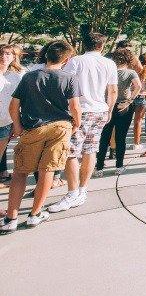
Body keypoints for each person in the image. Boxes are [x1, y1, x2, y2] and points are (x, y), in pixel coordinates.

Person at [1, 40, 81, 233]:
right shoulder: (69, 78)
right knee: (48, 170)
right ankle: (34, 215)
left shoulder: (29, 77)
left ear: (46, 55)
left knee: (20, 171)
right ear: (67, 59)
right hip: (60, 128)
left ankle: (11, 218)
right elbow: (75, 107)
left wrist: (18, 128)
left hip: (33, 128)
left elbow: (14, 107)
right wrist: (75, 126)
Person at [48, 33, 116, 214]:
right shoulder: (109, 63)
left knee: (71, 152)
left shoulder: (76, 61)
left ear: (83, 44)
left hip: (80, 109)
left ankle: (72, 192)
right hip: (100, 109)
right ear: (102, 45)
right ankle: (82, 190)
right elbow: (113, 90)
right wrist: (109, 110)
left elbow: (64, 84)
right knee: (90, 150)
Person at [95, 49, 141, 175]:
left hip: (106, 104)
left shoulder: (108, 71)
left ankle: (99, 167)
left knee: (104, 137)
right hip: (124, 106)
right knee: (121, 137)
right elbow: (138, 86)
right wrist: (130, 100)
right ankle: (119, 166)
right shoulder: (131, 72)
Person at [0, 44, 24, 189]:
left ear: (14, 57)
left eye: (8, 54)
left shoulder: (16, 77)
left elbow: (19, 103)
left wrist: (17, 124)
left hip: (5, 123)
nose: (4, 57)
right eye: (1, 53)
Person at [131, 53, 146, 152]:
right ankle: (136, 143)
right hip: (143, 96)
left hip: (131, 96)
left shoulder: (133, 70)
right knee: (138, 121)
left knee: (127, 121)